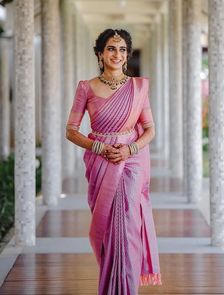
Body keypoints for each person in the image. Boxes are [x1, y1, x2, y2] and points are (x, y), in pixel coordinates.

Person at [66, 28, 162, 295]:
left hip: (130, 163)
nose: (117, 54)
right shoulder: (86, 87)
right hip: (100, 163)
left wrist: (129, 149)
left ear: (128, 54)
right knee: (107, 229)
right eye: (111, 48)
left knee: (129, 225)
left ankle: (127, 289)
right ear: (100, 53)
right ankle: (110, 286)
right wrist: (99, 146)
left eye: (122, 49)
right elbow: (71, 130)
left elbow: (150, 129)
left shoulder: (138, 88)